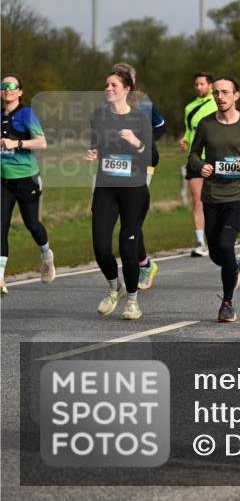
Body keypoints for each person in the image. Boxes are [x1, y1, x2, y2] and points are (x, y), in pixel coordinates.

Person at [188, 76, 240, 322]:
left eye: (225, 92)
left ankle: (227, 303)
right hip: (211, 196)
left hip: (237, 197)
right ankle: (235, 264)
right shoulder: (206, 124)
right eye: (216, 93)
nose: (220, 97)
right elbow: (193, 154)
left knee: (225, 244)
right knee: (216, 255)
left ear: (236, 95)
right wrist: (201, 166)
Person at [87, 70, 153, 320]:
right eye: (106, 84)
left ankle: (133, 301)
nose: (108, 88)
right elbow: (97, 145)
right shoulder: (99, 116)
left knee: (127, 248)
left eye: (114, 84)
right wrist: (93, 153)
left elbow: (152, 157)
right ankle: (115, 288)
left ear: (127, 89)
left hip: (133, 191)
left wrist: (137, 143)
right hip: (105, 188)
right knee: (100, 246)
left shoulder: (139, 119)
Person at [111, 63, 165, 292]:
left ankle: (143, 265)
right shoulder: (109, 102)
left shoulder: (144, 101)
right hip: (118, 165)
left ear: (131, 82)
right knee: (127, 219)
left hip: (143, 164)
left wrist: (145, 142)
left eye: (123, 79)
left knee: (132, 219)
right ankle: (144, 263)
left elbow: (160, 125)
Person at [1, 74, 54, 295]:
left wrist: (17, 142)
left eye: (13, 86)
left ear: (20, 92)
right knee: (0, 228)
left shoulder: (26, 114)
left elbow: (42, 142)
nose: (7, 89)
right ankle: (1, 278)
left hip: (26, 179)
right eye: (3, 86)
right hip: (3, 180)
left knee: (32, 224)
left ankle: (46, 255)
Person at [180, 72, 218, 257]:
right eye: (196, 84)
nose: (199, 87)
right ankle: (200, 242)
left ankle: (218, 236)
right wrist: (185, 141)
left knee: (215, 199)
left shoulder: (218, 103)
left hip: (214, 157)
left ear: (210, 85)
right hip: (195, 159)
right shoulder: (189, 107)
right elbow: (189, 131)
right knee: (197, 200)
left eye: (202, 84)